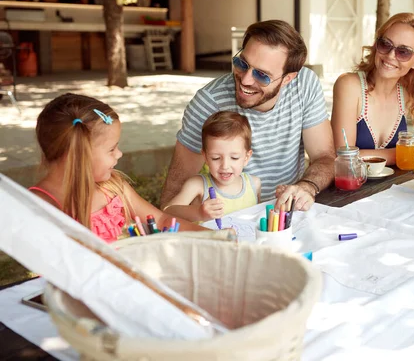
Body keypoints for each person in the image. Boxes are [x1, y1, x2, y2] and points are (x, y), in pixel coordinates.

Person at [161, 20, 335, 212]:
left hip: (288, 214)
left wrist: (306, 187)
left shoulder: (305, 85)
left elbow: (324, 157)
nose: (245, 79)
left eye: (262, 75)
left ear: (288, 79)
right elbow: (174, 193)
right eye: (242, 63)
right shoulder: (209, 103)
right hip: (231, 221)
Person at [30, 93, 211, 243]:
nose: (119, 154)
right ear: (79, 156)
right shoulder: (40, 206)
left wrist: (212, 236)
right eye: (111, 149)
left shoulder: (113, 186)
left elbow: (162, 220)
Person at [331, 12, 414, 164]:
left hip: (394, 185)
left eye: (404, 52)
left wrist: (411, 152)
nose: (391, 55)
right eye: (385, 44)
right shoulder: (349, 85)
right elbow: (343, 157)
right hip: (352, 187)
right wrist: (407, 153)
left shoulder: (410, 90)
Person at [163, 111, 260, 223]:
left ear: (246, 157)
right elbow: (167, 211)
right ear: (205, 157)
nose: (225, 166)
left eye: (234, 158)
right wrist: (198, 213)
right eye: (215, 158)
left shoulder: (254, 184)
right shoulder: (197, 185)